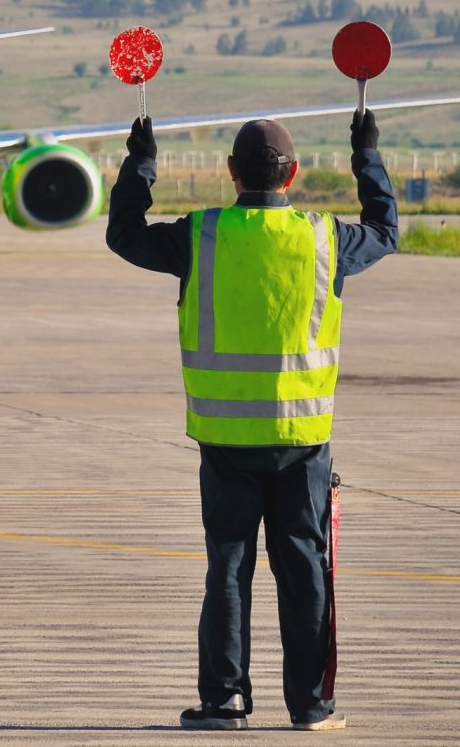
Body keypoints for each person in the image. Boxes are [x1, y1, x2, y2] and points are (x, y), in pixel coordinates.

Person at [105, 109, 395, 731]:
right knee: (304, 570)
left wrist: (141, 163)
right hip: (301, 439)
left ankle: (225, 701)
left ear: (230, 172)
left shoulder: (201, 235)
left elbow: (125, 234)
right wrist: (366, 153)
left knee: (228, 569)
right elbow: (386, 229)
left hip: (226, 437)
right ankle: (312, 707)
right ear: (292, 174)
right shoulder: (325, 238)